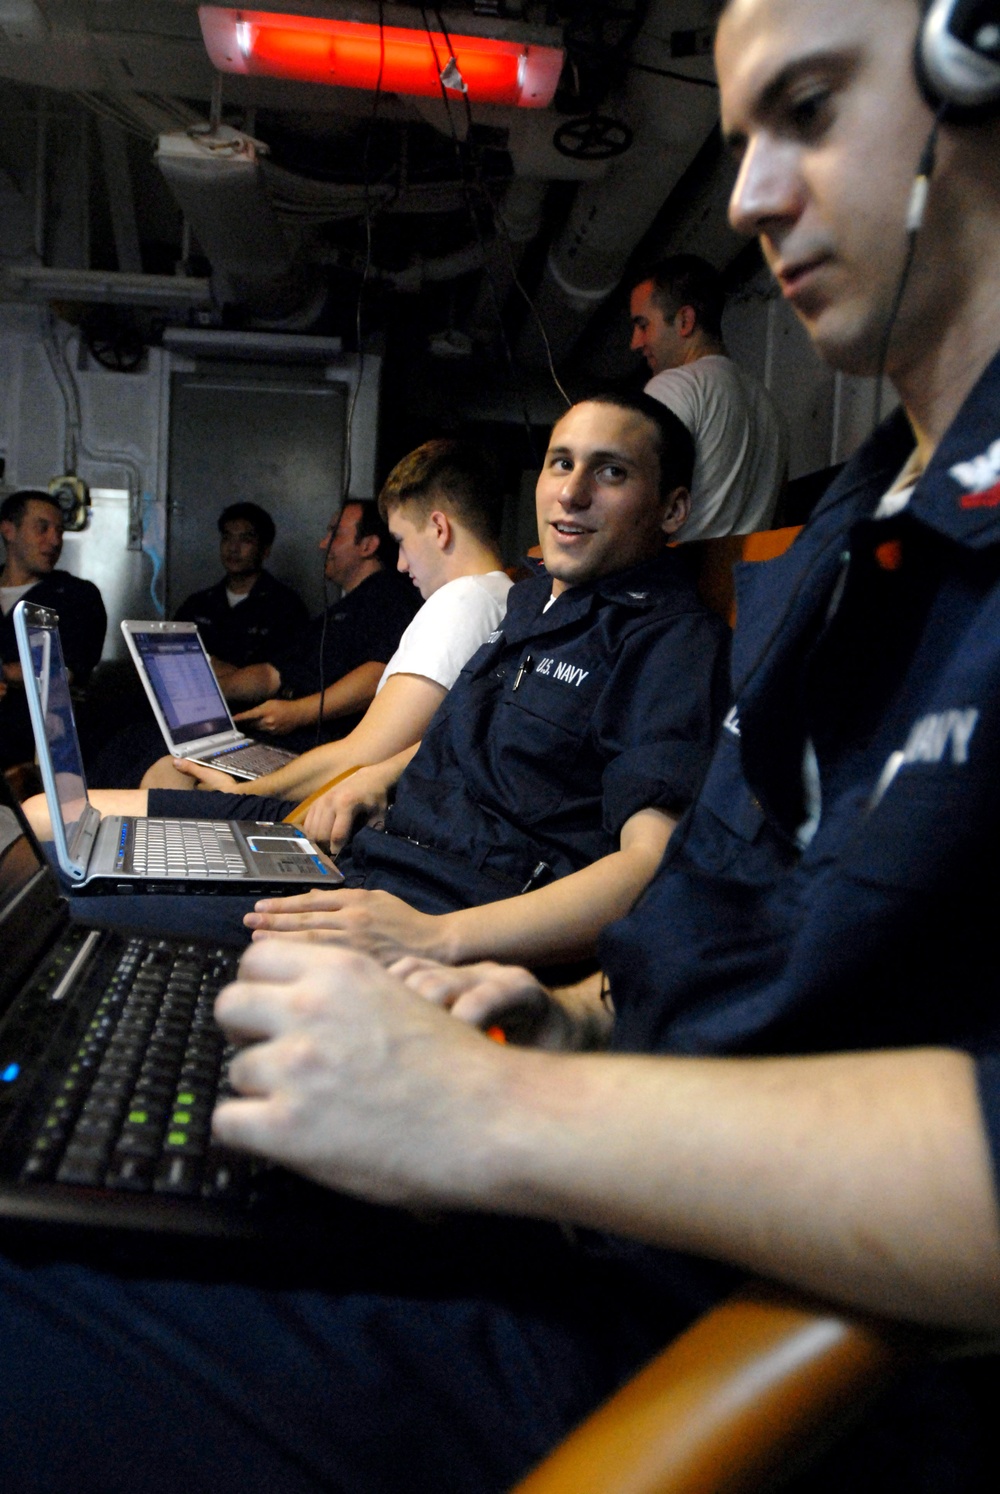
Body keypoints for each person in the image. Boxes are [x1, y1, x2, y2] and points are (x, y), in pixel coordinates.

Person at [4, 6, 999, 1489]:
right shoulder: (858, 527)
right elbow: (740, 944)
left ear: (976, 61)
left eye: (810, 107)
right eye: (740, 137)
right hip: (579, 1178)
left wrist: (495, 1103)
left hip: (638, 1321)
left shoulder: (712, 619)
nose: (750, 196)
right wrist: (577, 1018)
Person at [38, 395, 729, 971]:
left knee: (61, 909)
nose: (572, 492)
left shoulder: (671, 643)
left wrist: (438, 938)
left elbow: (650, 866)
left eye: (610, 473)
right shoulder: (531, 604)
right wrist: (387, 775)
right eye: (561, 463)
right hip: (359, 844)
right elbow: (466, 732)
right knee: (55, 830)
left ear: (671, 511)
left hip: (420, 902)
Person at [147, 439, 514, 831]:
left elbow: (361, 755)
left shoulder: (460, 603)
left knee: (162, 779)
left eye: (402, 542)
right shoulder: (508, 596)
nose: (402, 564)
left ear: (439, 528)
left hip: (358, 815)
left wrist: (248, 794)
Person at [185, 500, 419, 756]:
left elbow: (379, 673)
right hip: (279, 736)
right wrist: (203, 689)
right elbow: (271, 674)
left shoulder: (389, 597)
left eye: (335, 534)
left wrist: (298, 713)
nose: (323, 544)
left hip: (318, 748)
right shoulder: (337, 612)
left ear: (367, 545)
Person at [629, 254, 787, 539]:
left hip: (675, 579)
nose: (635, 343)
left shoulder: (673, 386)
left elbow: (633, 506)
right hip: (741, 581)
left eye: (643, 325)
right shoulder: (768, 406)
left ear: (684, 321)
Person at [0, 489, 106, 768]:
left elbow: (62, 671)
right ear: (9, 530)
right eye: (42, 528)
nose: (54, 540)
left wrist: (4, 673)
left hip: (39, 750)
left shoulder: (77, 596)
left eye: (59, 531)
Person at [173, 502, 309, 669]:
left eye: (245, 540)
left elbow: (290, 672)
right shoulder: (198, 605)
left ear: (265, 550)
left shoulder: (285, 608)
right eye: (227, 538)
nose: (233, 548)